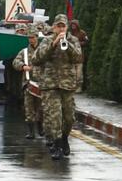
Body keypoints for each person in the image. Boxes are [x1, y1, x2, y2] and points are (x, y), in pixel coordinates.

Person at [32, 14, 83, 160]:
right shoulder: (47, 40)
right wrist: (53, 44)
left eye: (63, 26)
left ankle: (65, 137)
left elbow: (78, 58)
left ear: (67, 27)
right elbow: (36, 59)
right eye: (58, 26)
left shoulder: (73, 40)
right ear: (54, 27)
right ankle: (57, 144)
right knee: (55, 116)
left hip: (67, 84)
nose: (61, 29)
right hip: (50, 84)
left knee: (69, 118)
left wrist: (67, 45)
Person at [13, 26, 44, 139]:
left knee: (41, 108)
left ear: (37, 37)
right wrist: (22, 66)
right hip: (29, 84)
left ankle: (40, 128)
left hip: (42, 84)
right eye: (29, 37)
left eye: (33, 37)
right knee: (29, 108)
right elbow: (15, 62)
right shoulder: (24, 52)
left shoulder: (43, 51)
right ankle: (31, 131)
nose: (31, 39)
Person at [69, 19, 89, 91]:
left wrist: (78, 43)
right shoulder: (69, 34)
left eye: (74, 25)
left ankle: (79, 87)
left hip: (80, 56)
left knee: (79, 74)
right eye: (72, 25)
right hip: (71, 56)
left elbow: (86, 41)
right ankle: (72, 87)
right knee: (71, 73)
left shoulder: (82, 33)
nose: (73, 26)